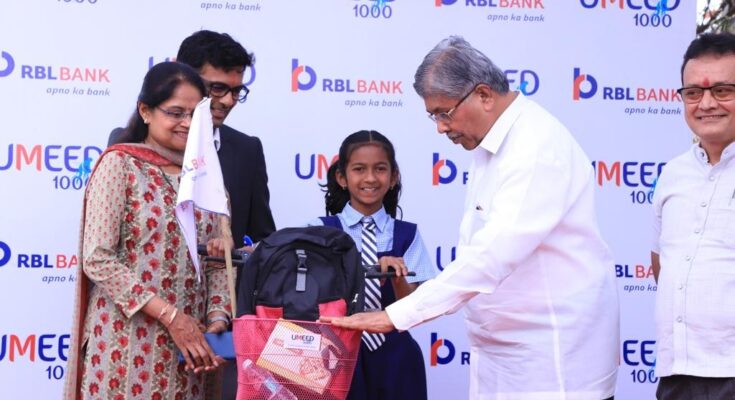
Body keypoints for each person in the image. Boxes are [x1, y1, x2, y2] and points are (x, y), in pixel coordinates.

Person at [322, 36, 619, 400]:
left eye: (443, 113)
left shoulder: (534, 148)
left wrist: (396, 315)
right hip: (506, 354)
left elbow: (492, 256)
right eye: (433, 116)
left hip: (550, 360)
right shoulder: (492, 145)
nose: (440, 128)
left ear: (483, 95)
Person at [64, 61, 232, 399]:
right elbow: (98, 258)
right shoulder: (120, 165)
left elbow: (217, 262)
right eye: (175, 113)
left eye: (194, 115)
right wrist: (172, 317)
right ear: (145, 111)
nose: (186, 124)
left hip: (190, 352)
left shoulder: (207, 182)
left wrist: (216, 323)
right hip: (124, 346)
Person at [109, 30, 276, 249]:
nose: (228, 100)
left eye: (236, 91)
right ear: (183, 78)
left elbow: (265, 239)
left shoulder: (247, 150)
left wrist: (242, 254)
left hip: (220, 281)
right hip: (142, 281)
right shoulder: (126, 149)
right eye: (217, 88)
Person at [309, 130, 434, 400]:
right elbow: (309, 298)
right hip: (334, 355)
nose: (370, 178)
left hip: (396, 357)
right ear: (342, 178)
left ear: (393, 177)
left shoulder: (407, 234)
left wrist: (397, 276)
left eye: (380, 169)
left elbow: (413, 306)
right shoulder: (320, 232)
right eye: (359, 169)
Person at [651, 32, 735, 400]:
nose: (706, 104)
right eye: (693, 93)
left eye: (722, 90)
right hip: (677, 374)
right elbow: (661, 265)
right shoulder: (672, 175)